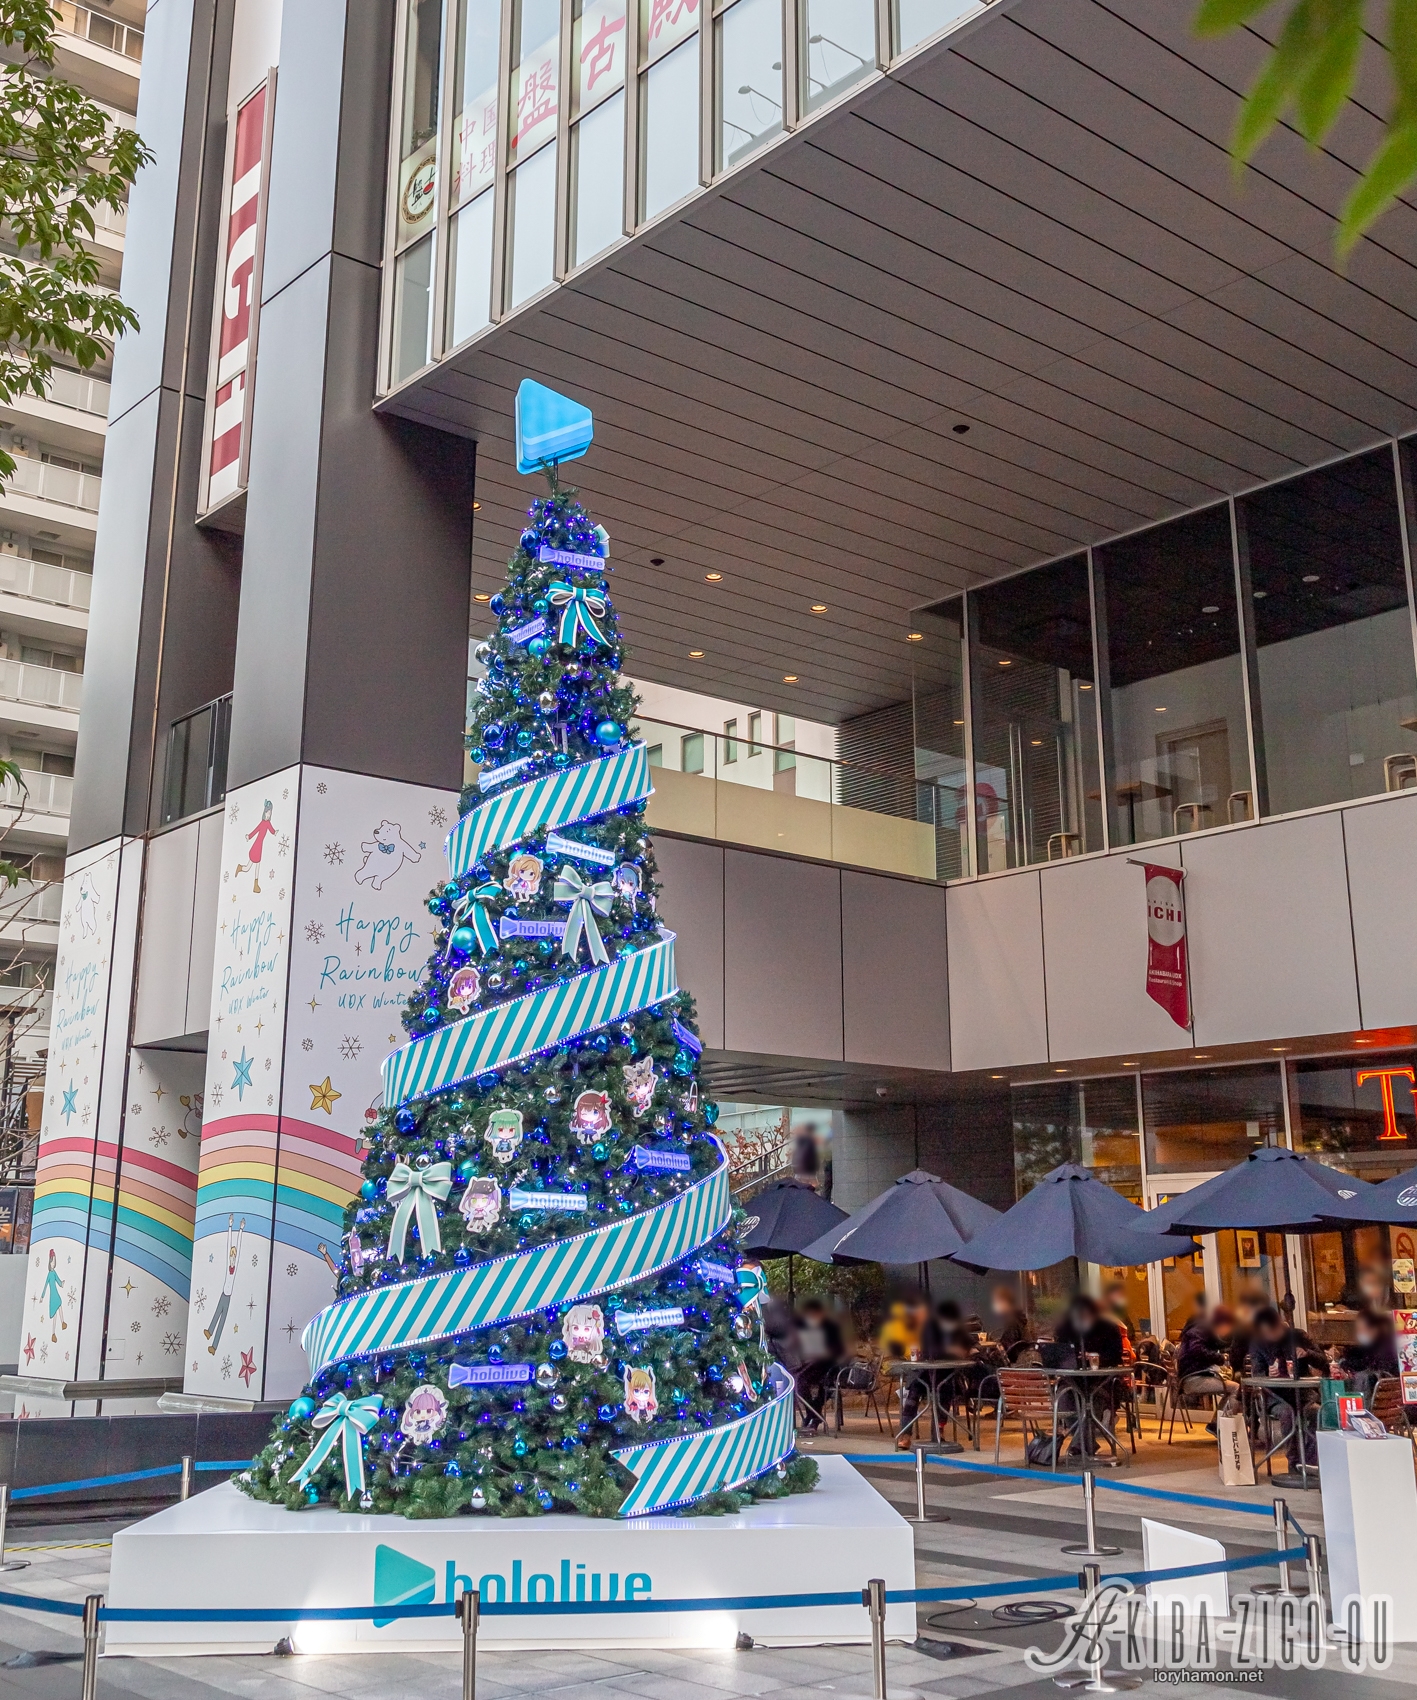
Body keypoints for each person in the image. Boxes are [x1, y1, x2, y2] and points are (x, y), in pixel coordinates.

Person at [1245, 1304, 1326, 1471]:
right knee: (1288, 1413)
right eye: (1266, 1332)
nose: (1270, 1335)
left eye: (1273, 1331)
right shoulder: (1258, 1343)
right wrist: (1268, 1373)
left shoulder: (1298, 1336)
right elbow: (1257, 1374)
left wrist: (1307, 1353)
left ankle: (1311, 1464)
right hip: (1274, 1396)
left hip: (1302, 1393)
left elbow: (1323, 1362)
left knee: (1315, 1412)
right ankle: (1294, 1464)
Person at [1177, 1304, 1240, 1432]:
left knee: (1232, 1387)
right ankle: (1219, 1427)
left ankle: (1217, 1424)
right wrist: (1220, 1358)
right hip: (1193, 1379)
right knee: (1236, 1389)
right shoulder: (1203, 1328)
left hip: (1190, 1377)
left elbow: (1212, 1344)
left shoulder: (1201, 1327)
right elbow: (1196, 1349)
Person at [794, 1298, 845, 1430]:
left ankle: (814, 1415)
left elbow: (839, 1350)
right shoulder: (803, 1326)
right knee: (799, 1381)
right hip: (810, 1365)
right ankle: (814, 1414)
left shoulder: (831, 1327)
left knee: (826, 1385)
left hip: (829, 1366)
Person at [1337, 1308, 1399, 1398]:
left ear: (1375, 1329)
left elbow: (1367, 1364)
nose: (1359, 1334)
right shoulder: (1372, 1345)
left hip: (1382, 1398)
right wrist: (1345, 1363)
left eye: (1362, 1330)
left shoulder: (1387, 1349)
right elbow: (1358, 1358)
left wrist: (1347, 1365)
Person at [990, 1285, 1033, 1358]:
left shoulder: (1011, 1321)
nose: (995, 1305)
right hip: (1023, 1357)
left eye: (996, 1301)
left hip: (1014, 1359)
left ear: (1004, 1301)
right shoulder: (1018, 1317)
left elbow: (1008, 1346)